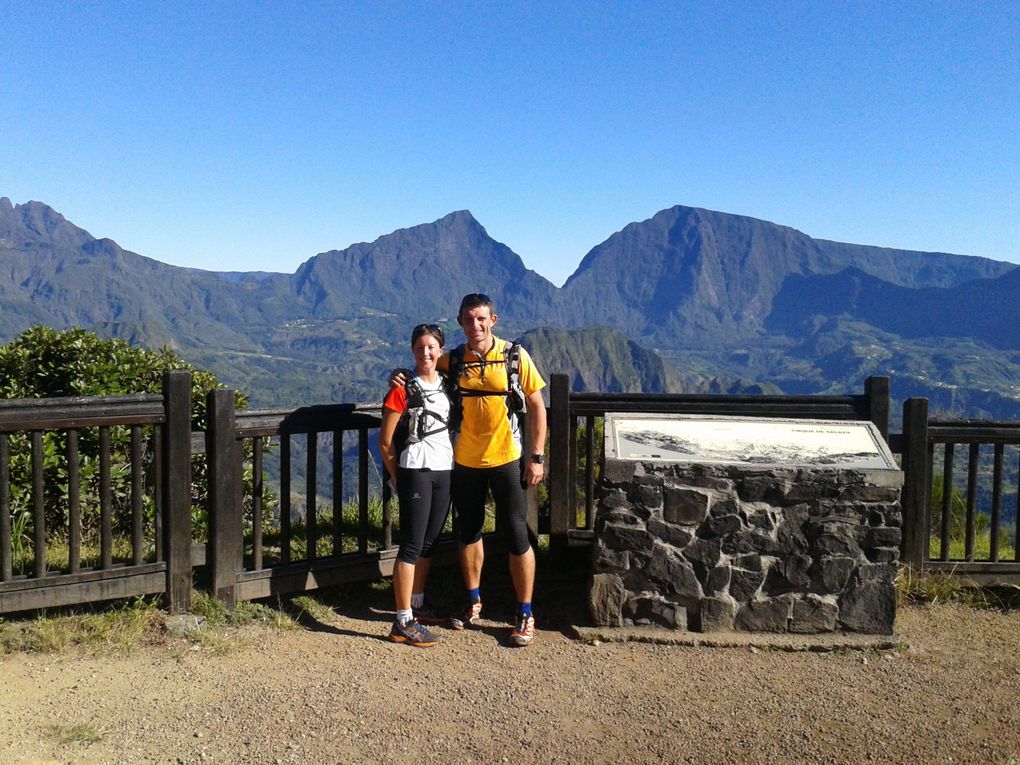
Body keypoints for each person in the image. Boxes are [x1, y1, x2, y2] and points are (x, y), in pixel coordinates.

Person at [392, 293, 547, 647]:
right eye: (468, 320)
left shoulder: (513, 356)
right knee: (468, 532)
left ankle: (525, 612)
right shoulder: (455, 359)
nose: (474, 325)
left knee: (516, 533)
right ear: (460, 323)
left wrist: (536, 456)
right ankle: (473, 601)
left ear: (493, 320)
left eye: (481, 319)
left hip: (507, 458)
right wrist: (398, 375)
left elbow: (537, 404)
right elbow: (425, 368)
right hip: (464, 462)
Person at [378, 323, 454, 647]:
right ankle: (403, 619)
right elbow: (385, 442)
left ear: (440, 350)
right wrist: (397, 476)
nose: (426, 352)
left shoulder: (448, 384)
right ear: (412, 350)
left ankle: (418, 602)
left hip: (443, 469)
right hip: (415, 470)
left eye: (432, 347)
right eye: (420, 347)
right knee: (411, 544)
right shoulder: (402, 389)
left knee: (429, 542)